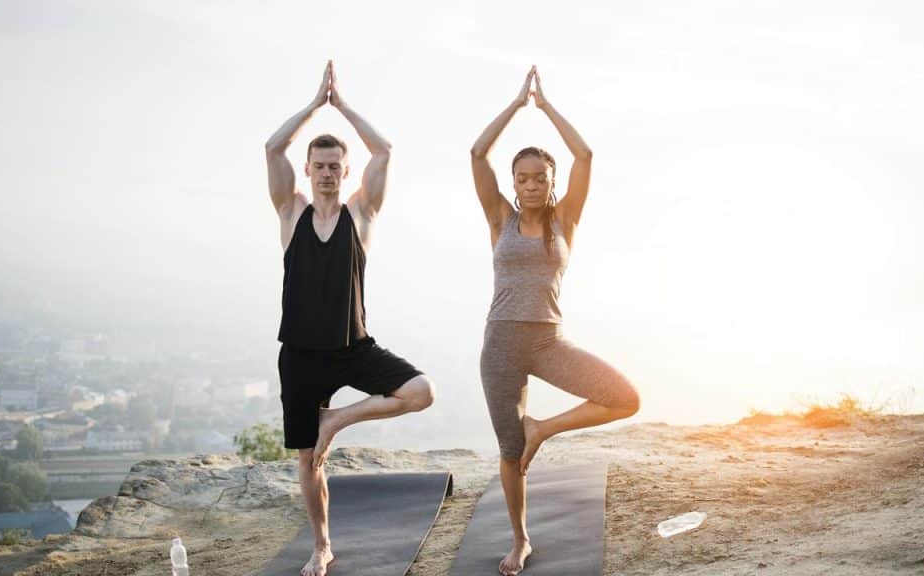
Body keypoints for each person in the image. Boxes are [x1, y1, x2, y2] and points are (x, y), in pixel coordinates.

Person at [264, 60, 435, 576]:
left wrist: (343, 108)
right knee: (307, 460)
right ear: (309, 169)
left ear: (344, 171)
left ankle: (334, 420)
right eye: (319, 164)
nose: (326, 172)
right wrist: (315, 106)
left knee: (421, 391)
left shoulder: (360, 215)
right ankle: (322, 546)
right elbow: (273, 148)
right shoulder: (290, 213)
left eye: (335, 165)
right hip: (301, 354)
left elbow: (384, 150)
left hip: (353, 346)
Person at [470, 66, 641, 576]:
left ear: (551, 182)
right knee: (508, 448)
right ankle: (520, 539)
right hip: (501, 343)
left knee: (624, 398)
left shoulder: (566, 219)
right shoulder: (500, 217)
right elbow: (478, 155)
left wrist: (545, 108)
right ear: (514, 183)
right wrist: (514, 105)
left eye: (538, 178)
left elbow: (585, 155)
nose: (528, 186)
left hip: (548, 341)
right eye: (521, 178)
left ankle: (543, 428)